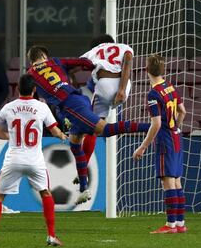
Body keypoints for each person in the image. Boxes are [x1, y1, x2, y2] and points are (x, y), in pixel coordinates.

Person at [26, 45, 150, 205]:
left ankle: (151, 127)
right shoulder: (55, 62)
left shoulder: (30, 75)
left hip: (71, 105)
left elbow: (29, 94)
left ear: (31, 61)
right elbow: (82, 62)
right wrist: (96, 66)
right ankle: (84, 189)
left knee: (104, 129)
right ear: (44, 55)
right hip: (73, 102)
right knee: (75, 143)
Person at [0, 74, 67, 247]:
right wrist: (64, 136)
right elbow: (55, 131)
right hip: (35, 160)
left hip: (13, 159)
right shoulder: (41, 107)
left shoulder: (8, 107)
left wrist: (12, 138)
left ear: (18, 89)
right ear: (35, 89)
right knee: (46, 193)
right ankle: (51, 236)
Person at [133, 54, 187, 234]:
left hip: (165, 138)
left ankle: (170, 225)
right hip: (176, 136)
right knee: (177, 181)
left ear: (146, 70)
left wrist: (142, 147)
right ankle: (180, 223)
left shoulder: (154, 94)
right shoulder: (170, 86)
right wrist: (176, 127)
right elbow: (182, 111)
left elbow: (156, 124)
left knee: (168, 182)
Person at [72, 34, 134, 185]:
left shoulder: (94, 51)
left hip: (104, 85)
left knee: (93, 128)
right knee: (100, 123)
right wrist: (121, 89)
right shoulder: (124, 47)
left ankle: (83, 168)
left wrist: (72, 87)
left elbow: (71, 68)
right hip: (125, 87)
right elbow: (127, 61)